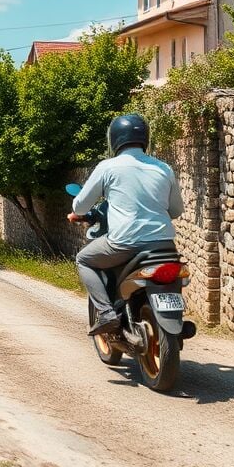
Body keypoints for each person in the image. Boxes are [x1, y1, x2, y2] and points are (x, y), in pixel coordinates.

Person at [71, 113, 183, 335]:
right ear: (145, 139)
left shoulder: (107, 167)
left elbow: (80, 207)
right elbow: (176, 210)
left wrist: (76, 213)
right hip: (164, 245)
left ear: (114, 139)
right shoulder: (163, 168)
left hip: (124, 243)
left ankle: (106, 314)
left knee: (83, 259)